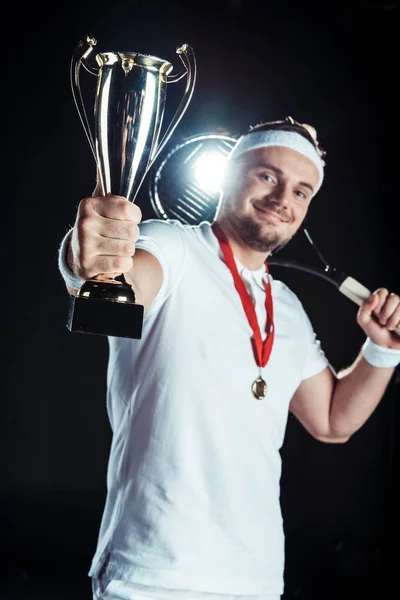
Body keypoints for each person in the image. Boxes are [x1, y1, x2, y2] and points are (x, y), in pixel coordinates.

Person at [58, 117, 400, 600]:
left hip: (255, 580)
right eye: (267, 175)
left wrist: (383, 348)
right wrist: (89, 257)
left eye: (302, 191)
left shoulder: (288, 308)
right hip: (151, 578)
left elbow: (332, 420)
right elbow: (117, 281)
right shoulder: (173, 248)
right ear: (229, 174)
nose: (284, 198)